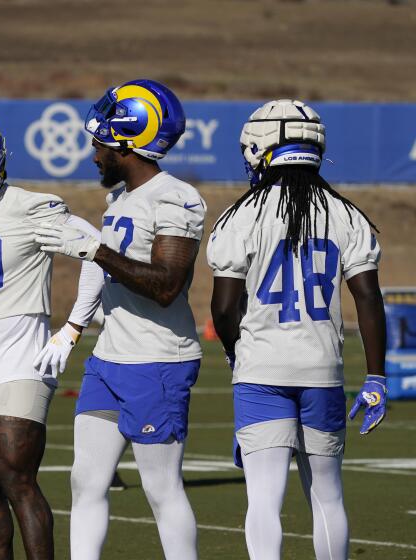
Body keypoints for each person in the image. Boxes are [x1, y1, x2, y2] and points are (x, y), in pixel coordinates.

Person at [207, 99, 386, 560]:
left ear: (258, 148)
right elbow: (367, 298)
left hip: (262, 370)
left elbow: (224, 308)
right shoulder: (347, 215)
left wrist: (235, 353)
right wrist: (376, 376)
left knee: (264, 498)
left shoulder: (241, 215)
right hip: (321, 368)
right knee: (327, 495)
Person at [34, 79, 203, 560]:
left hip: (157, 361)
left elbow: (166, 284)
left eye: (100, 142)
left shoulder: (177, 197)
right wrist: (72, 328)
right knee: (85, 481)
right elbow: (100, 270)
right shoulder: (121, 199)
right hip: (109, 359)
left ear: (128, 140)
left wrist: (98, 251)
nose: (93, 154)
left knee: (160, 487)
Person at [0, 116, 99, 560]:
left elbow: (97, 251)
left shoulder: (33, 206)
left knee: (16, 479)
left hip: (20, 359)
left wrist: (72, 327)